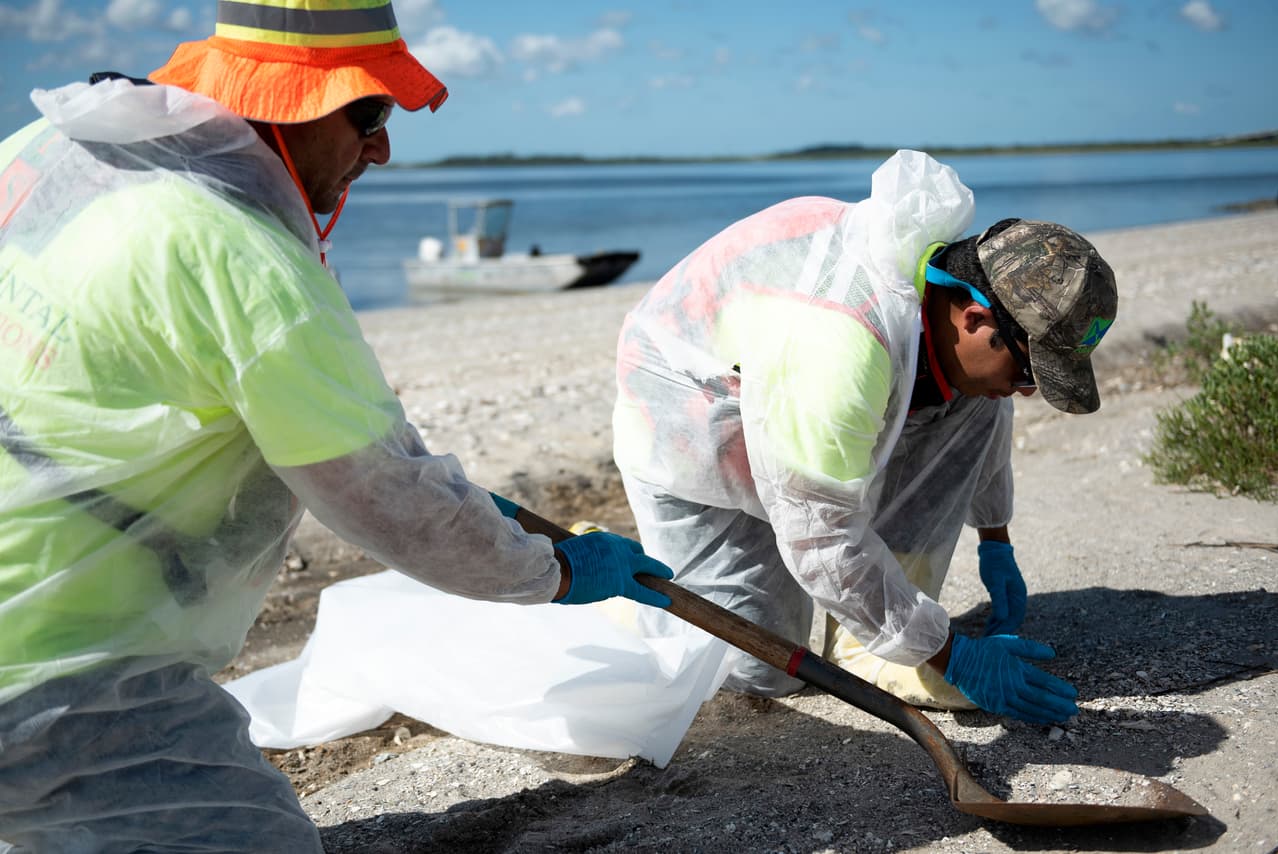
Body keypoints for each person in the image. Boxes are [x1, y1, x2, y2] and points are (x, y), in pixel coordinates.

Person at [0, 1, 672, 850]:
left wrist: (465, 505)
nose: (382, 146)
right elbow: (386, 501)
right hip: (56, 669)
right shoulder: (244, 258)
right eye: (371, 111)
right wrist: (557, 570)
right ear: (288, 102)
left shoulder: (47, 154)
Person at [612, 149, 1117, 725]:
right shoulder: (841, 348)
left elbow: (984, 421)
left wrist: (995, 539)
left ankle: (877, 640)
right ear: (975, 319)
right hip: (695, 430)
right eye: (1029, 372)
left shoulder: (940, 286)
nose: (1027, 392)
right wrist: (955, 657)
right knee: (758, 670)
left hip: (804, 420)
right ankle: (614, 574)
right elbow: (820, 541)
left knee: (980, 395)